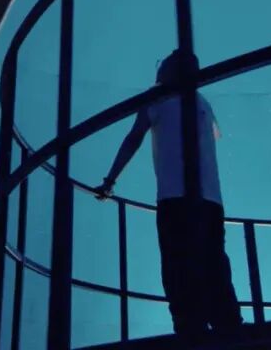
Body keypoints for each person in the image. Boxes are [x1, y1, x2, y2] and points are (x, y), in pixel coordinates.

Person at [92, 50, 242, 342]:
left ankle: (192, 331)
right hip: (210, 202)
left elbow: (134, 138)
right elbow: (212, 137)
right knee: (214, 266)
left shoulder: (157, 98)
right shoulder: (202, 103)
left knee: (178, 269)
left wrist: (110, 180)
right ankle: (229, 328)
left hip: (175, 200)